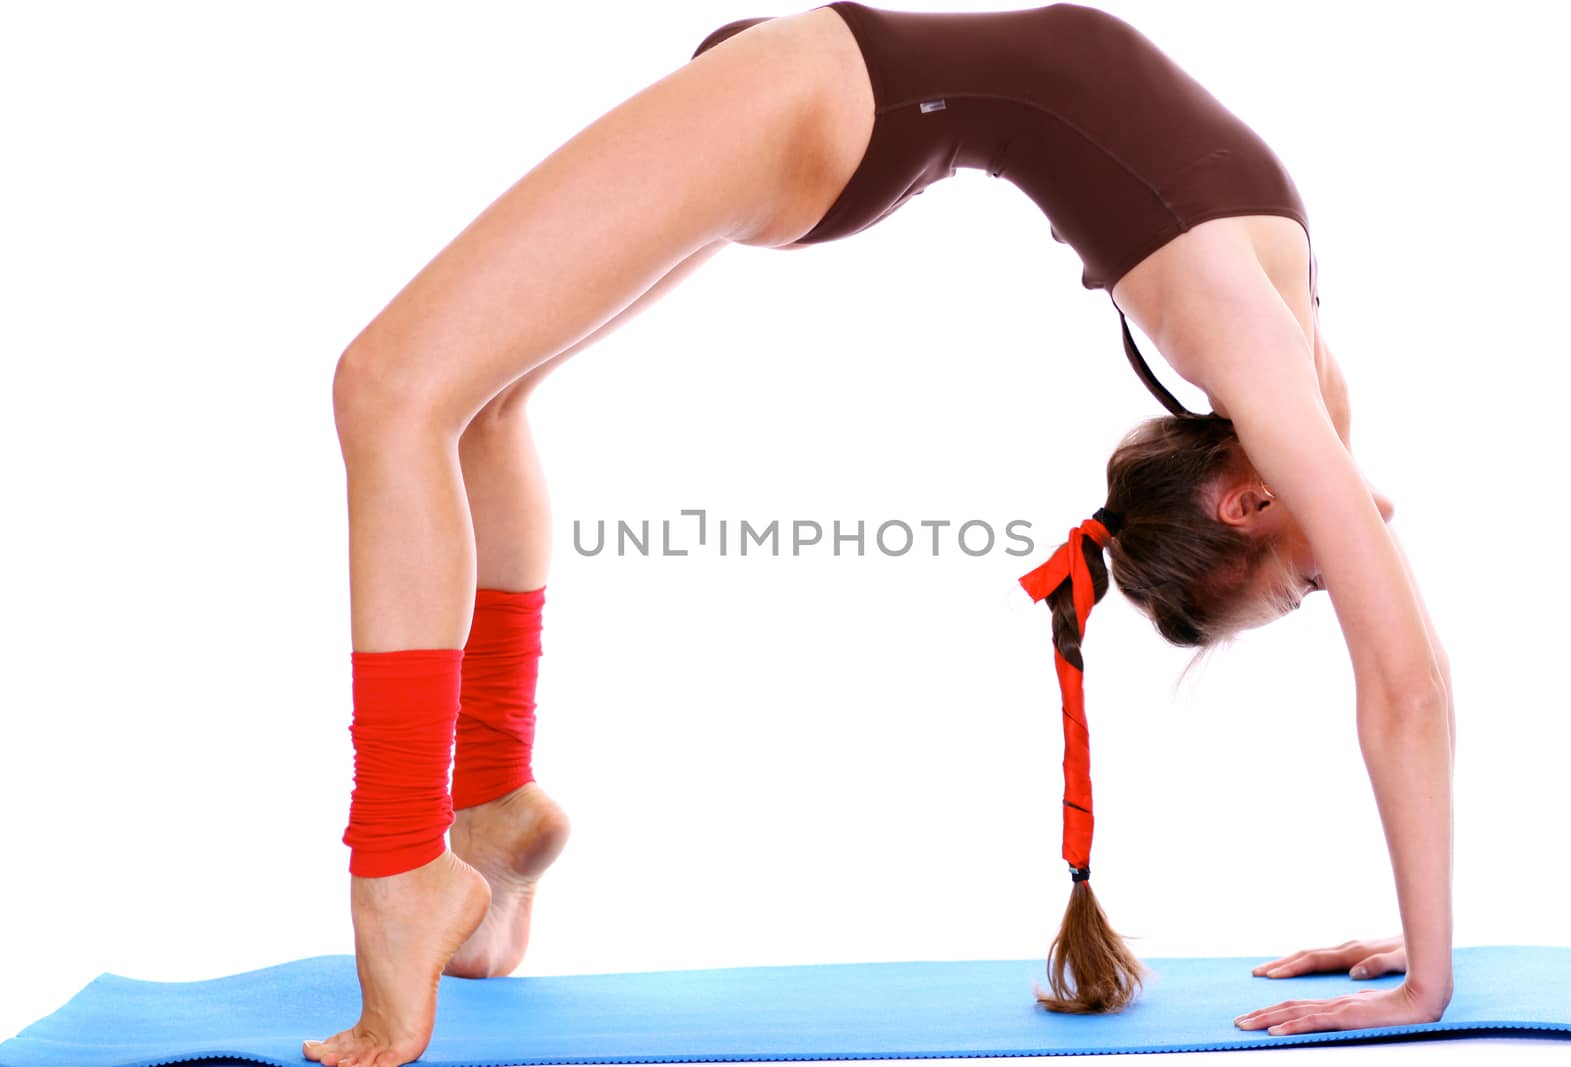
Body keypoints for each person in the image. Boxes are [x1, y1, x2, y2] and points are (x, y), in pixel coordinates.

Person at [304, 3, 1455, 1065]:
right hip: (855, 96)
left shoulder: (1266, 366)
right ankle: (491, 801)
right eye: (1304, 586)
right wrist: (1421, 964)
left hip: (839, 95)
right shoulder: (1284, 374)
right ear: (1244, 503)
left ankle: (400, 860)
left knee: (390, 387)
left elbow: (1401, 670)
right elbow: (1406, 681)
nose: (1343, 563)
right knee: (473, 403)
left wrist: (1420, 968)